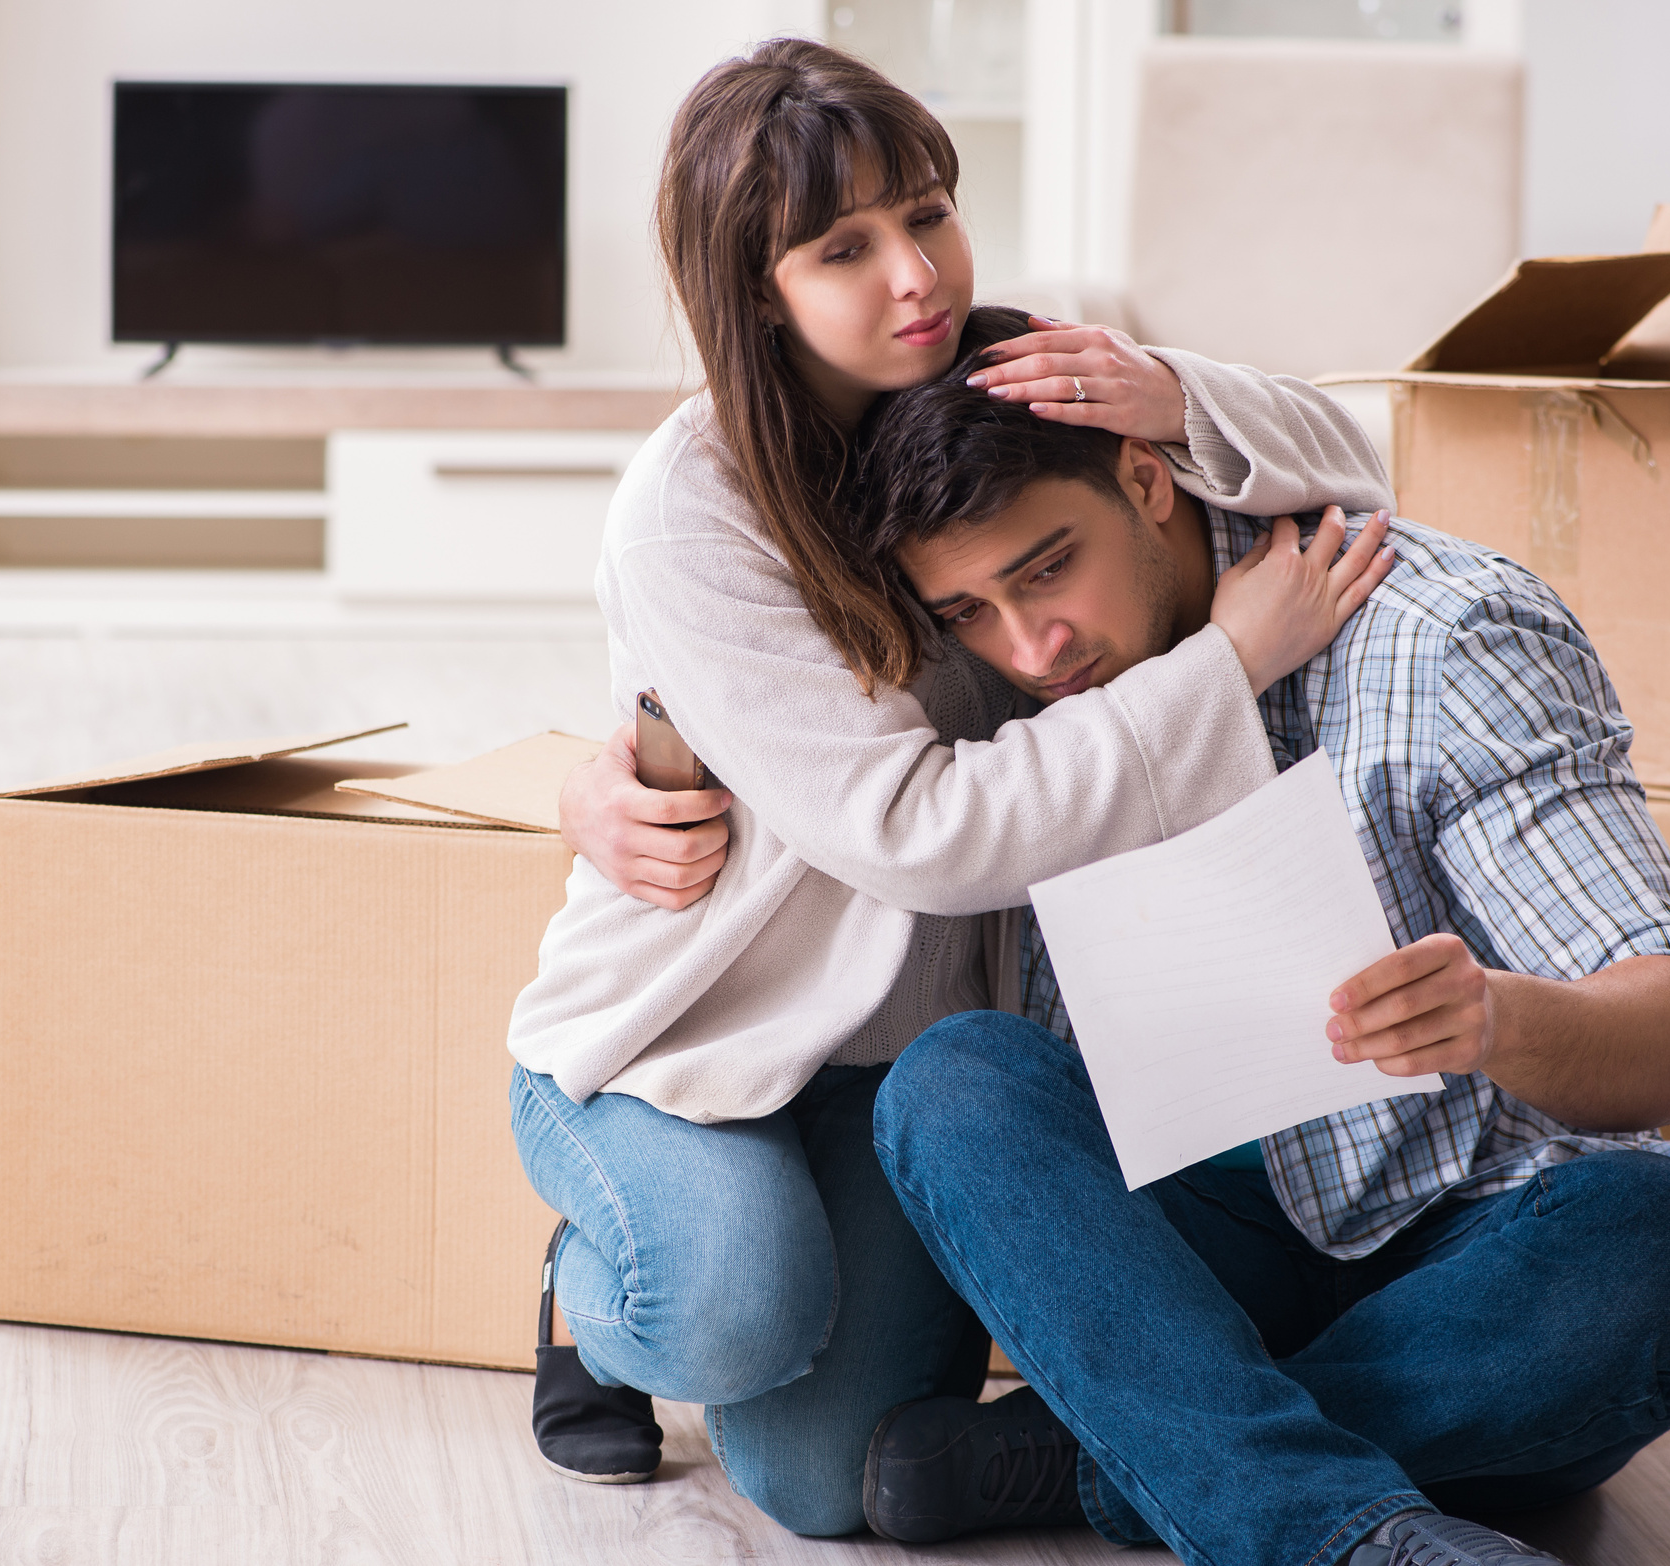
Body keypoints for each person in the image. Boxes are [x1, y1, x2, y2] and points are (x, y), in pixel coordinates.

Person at [511, 38, 1397, 1536]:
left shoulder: (1001, 371)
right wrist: (1223, 666)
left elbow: (1354, 461)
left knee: (822, 1483)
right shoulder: (690, 513)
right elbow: (914, 828)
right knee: (724, 1311)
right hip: (688, 1030)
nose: (913, 275)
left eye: (926, 214)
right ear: (756, 291)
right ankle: (589, 1295)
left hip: (900, 1052)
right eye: (843, 249)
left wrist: (1170, 392)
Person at [833, 319, 1670, 1566]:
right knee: (952, 1085)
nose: (1029, 647)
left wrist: (1496, 1018)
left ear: (1145, 478)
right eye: (970, 612)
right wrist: (614, 785)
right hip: (1183, 1274)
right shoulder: (995, 704)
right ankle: (1328, 1526)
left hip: (1469, 1262)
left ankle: (1126, 1457)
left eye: (1048, 570)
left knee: (1669, 1248)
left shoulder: (1441, 634)